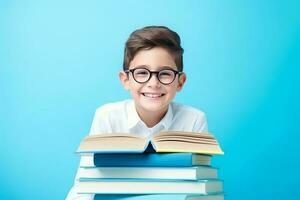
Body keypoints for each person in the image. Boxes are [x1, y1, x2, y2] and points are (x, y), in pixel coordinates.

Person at [66, 25, 208, 200]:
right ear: (125, 80)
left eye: (164, 74)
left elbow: (198, 189)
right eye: (142, 72)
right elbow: (85, 186)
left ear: (180, 82)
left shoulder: (193, 120)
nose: (153, 83)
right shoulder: (107, 117)